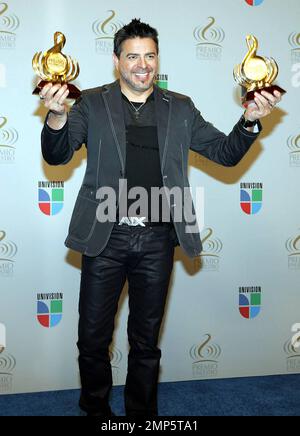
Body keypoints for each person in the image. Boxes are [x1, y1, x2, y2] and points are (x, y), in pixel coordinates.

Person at [40, 19, 281, 417]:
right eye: (133, 56)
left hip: (157, 238)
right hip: (106, 235)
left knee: (146, 339)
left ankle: (142, 416)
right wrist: (55, 116)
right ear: (117, 60)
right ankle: (95, 410)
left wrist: (250, 120)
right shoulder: (91, 103)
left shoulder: (180, 107)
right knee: (93, 337)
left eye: (149, 56)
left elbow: (224, 152)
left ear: (157, 60)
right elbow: (57, 154)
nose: (142, 65)